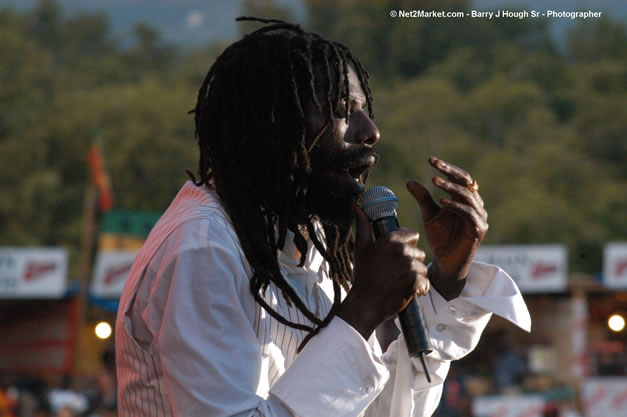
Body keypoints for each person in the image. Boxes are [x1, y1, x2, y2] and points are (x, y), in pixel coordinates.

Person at [115, 17, 530, 417]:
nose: (370, 131)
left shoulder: (312, 243)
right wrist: (364, 307)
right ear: (275, 124)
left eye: (365, 110)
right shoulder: (202, 247)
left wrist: (445, 280)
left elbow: (391, 411)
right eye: (343, 110)